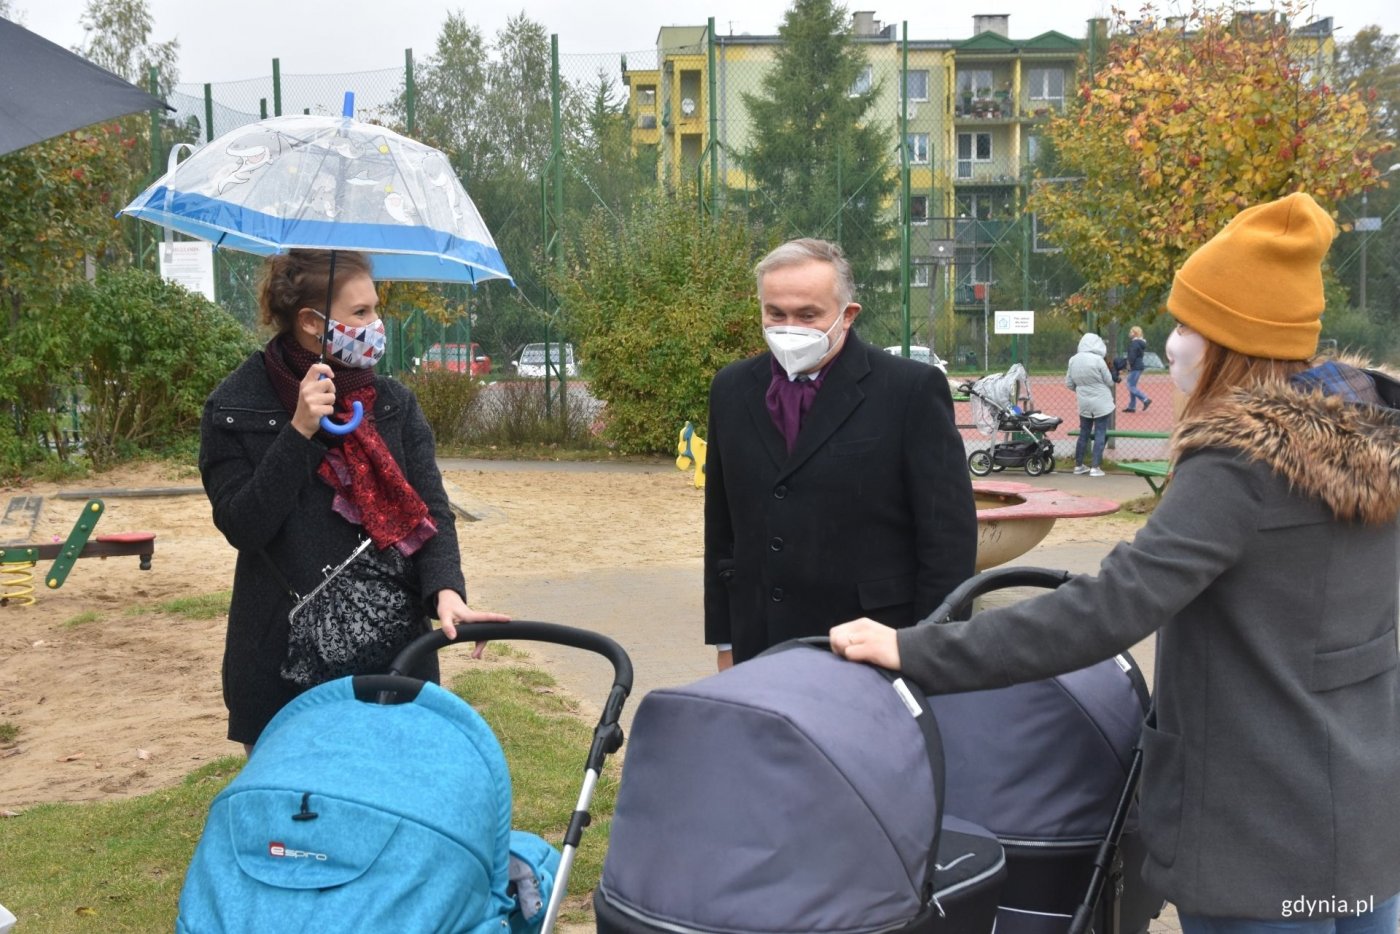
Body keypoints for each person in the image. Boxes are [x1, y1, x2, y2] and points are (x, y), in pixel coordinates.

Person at [830, 192, 1400, 933]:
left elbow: (1106, 610)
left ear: (1232, 337)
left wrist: (913, 648)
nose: (1174, 341)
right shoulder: (1373, 439)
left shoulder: (1239, 464)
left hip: (1257, 831)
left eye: (1189, 322)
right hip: (1362, 815)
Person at [200, 249, 508, 751]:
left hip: (394, 654)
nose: (375, 325)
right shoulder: (236, 406)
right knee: (294, 821)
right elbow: (243, 525)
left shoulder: (392, 403)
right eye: (360, 314)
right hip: (283, 664)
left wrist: (446, 590)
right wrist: (300, 431)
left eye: (375, 309)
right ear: (309, 322)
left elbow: (429, 511)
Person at [704, 238, 977, 669]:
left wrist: (930, 649)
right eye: (775, 313)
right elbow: (722, 530)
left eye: (808, 315)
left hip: (871, 647)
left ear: (847, 316)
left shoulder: (909, 390)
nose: (788, 326)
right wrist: (725, 641)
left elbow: (948, 539)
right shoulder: (732, 389)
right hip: (760, 645)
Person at [1065, 332, 1114, 477]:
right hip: (1102, 402)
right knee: (1100, 432)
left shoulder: (1073, 360)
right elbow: (1109, 381)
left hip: (1083, 402)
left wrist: (1081, 389)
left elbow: (1069, 383)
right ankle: (1095, 467)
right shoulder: (1098, 360)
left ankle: (1078, 465)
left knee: (1083, 433)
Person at [1124, 325, 1153, 412]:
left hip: (1135, 366)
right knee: (1132, 385)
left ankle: (1145, 399)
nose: (1130, 333)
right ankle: (1132, 407)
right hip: (1138, 366)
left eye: (1131, 332)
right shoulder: (1140, 343)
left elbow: (1132, 356)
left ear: (1135, 333)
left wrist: (1128, 365)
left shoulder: (1134, 343)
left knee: (1130, 385)